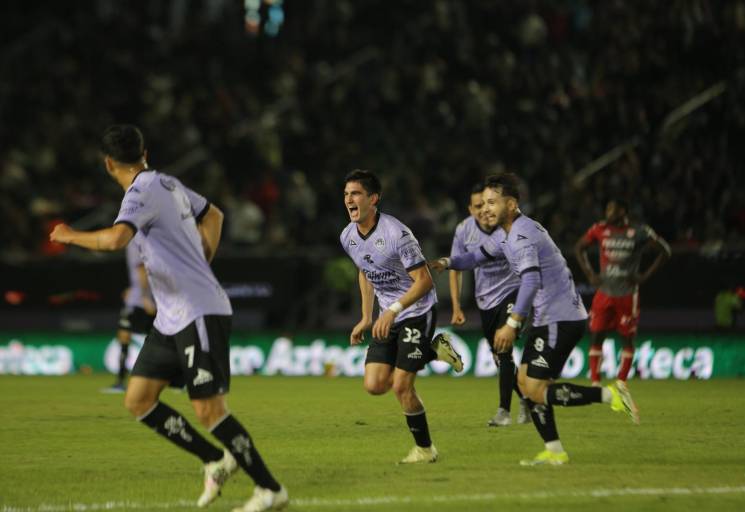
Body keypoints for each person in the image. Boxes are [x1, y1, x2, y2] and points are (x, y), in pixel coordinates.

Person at [50, 125, 287, 512]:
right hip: (170, 318)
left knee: (209, 410)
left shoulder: (141, 192)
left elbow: (114, 240)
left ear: (108, 164)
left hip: (199, 311)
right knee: (139, 399)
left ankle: (270, 488)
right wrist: (201, 260)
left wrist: (69, 235)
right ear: (145, 151)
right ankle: (215, 459)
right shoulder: (168, 184)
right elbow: (214, 215)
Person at [431, 173, 638, 465]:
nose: (486, 208)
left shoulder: (521, 236)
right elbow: (477, 257)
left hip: (559, 318)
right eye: (484, 203)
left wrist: (512, 323)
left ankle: (608, 396)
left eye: (492, 202)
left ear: (512, 204)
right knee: (527, 384)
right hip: (550, 317)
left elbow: (529, 281)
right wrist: (446, 262)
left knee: (537, 388)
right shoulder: (507, 233)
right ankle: (554, 451)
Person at [341, 169, 464, 464]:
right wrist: (365, 317)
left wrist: (394, 310)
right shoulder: (348, 236)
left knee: (401, 386)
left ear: (373, 199)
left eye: (355, 193)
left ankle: (425, 449)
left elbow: (424, 281)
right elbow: (365, 271)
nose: (349, 200)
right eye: (346, 194)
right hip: (386, 316)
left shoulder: (397, 234)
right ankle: (433, 350)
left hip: (417, 312)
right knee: (374, 385)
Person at [449, 182, 530, 426]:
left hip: (511, 293)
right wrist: (456, 306)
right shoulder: (464, 230)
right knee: (501, 359)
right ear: (470, 208)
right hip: (485, 302)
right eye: (477, 206)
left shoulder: (507, 227)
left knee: (504, 351)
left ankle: (504, 412)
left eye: (486, 204)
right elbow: (456, 266)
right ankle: (526, 400)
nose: (482, 210)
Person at [574, 199, 671, 386]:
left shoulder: (639, 232)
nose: (608, 212)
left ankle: (621, 383)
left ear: (623, 211)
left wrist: (644, 276)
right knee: (596, 335)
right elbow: (579, 248)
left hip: (627, 294)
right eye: (607, 208)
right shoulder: (599, 229)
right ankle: (595, 382)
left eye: (612, 209)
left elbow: (665, 251)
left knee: (627, 339)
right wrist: (590, 274)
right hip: (604, 293)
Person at [103, 238, 156, 393]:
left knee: (125, 336)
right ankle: (176, 380)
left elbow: (141, 269)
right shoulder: (149, 239)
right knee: (156, 339)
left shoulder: (135, 240)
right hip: (146, 298)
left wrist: (144, 296)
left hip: (140, 302)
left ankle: (120, 381)